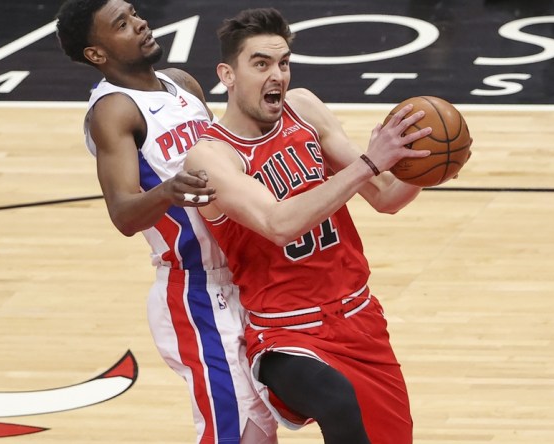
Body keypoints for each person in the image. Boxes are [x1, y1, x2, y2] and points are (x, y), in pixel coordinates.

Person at [184, 8, 469, 444]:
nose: (276, 75)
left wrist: (427, 168)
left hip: (359, 318)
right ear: (228, 73)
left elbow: (386, 196)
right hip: (285, 331)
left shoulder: (304, 108)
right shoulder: (212, 156)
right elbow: (277, 223)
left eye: (283, 63)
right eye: (260, 64)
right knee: (337, 399)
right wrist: (371, 160)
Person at [55, 1, 277, 443]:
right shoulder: (114, 111)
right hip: (196, 291)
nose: (139, 24)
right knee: (230, 430)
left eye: (134, 13)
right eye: (121, 24)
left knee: (258, 427)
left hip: (245, 273)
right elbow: (122, 213)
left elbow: (226, 160)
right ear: (97, 53)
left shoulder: (182, 84)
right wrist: (167, 191)